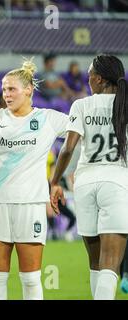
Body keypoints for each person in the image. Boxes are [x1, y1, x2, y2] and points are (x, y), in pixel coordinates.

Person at [0, 59, 69, 300]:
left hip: (30, 206)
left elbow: (80, 131)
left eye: (12, 89)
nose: (6, 94)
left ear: (28, 90)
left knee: (30, 280)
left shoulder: (49, 119)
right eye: (4, 89)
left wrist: (58, 178)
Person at [50, 54, 128, 300]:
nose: (87, 78)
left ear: (100, 79)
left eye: (90, 74)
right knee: (111, 264)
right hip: (116, 181)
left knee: (95, 263)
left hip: (84, 184)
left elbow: (68, 149)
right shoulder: (125, 104)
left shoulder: (81, 105)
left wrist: (54, 182)